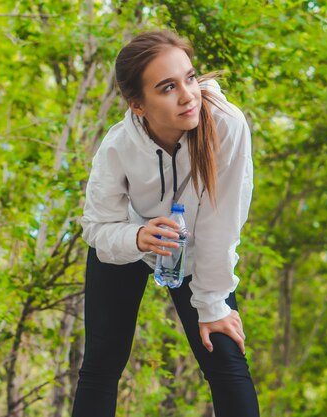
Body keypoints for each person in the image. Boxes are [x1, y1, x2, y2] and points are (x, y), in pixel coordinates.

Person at [72, 30, 259, 417]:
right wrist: (138, 237)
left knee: (225, 358)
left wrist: (211, 305)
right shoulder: (118, 146)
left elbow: (221, 227)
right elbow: (96, 228)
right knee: (102, 367)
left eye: (190, 78)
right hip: (130, 243)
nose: (188, 95)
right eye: (167, 87)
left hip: (195, 252)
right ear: (138, 105)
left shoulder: (226, 124)